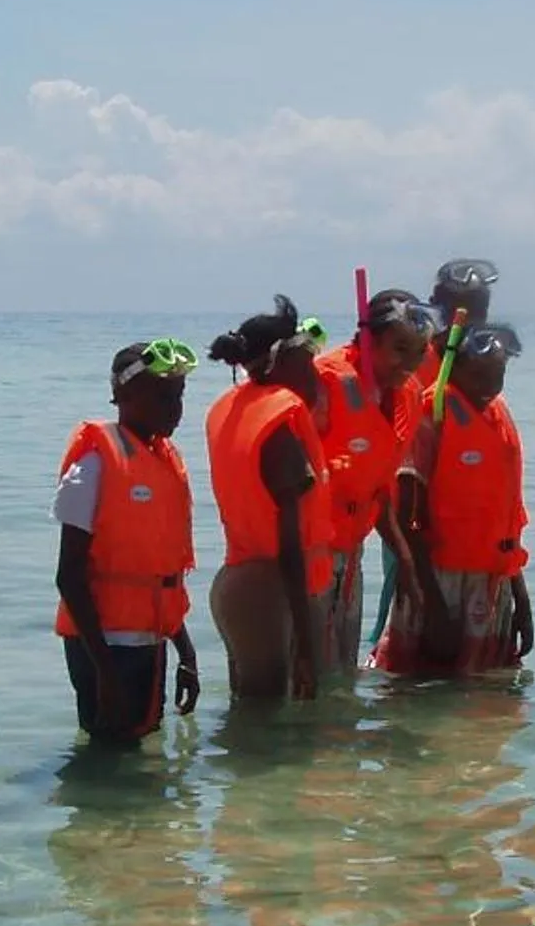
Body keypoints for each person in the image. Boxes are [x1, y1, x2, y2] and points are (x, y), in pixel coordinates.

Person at [54, 339, 203, 744]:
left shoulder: (162, 460)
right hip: (104, 647)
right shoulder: (94, 465)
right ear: (123, 396)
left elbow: (161, 577)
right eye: (162, 398)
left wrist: (185, 652)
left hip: (150, 638)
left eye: (179, 397)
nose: (175, 409)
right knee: (110, 760)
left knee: (140, 760)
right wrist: (104, 671)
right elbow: (69, 576)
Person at [378, 321, 533, 673]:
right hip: (439, 580)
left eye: (499, 375)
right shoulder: (432, 413)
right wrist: (432, 604)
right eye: (480, 375)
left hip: (492, 580)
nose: (490, 386)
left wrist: (519, 595)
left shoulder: (498, 413)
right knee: (424, 684)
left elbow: (504, 519)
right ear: (456, 367)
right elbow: (407, 518)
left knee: (487, 694)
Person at [204, 297, 333, 701]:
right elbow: (290, 543)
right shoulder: (278, 427)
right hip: (268, 592)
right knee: (266, 729)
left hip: (239, 586)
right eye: (305, 356)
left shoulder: (234, 407)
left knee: (251, 719)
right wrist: (307, 647)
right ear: (280, 359)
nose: (313, 367)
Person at [314, 290, 433, 671]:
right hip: (308, 556)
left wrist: (405, 559)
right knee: (304, 674)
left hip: (351, 558)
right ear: (368, 340)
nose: (410, 363)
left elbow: (378, 489)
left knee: (340, 674)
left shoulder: (408, 395)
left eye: (420, 352)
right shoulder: (325, 381)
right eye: (400, 349)